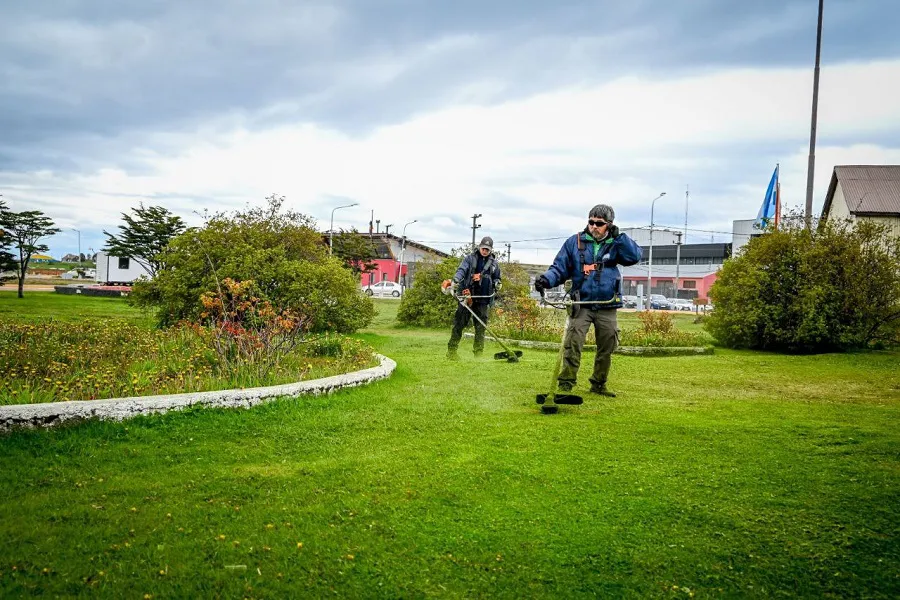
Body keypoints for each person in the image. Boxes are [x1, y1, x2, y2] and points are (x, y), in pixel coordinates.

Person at [534, 205, 642, 396]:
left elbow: (634, 257)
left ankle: (599, 384)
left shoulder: (616, 243)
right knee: (573, 342)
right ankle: (566, 383)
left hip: (607, 303)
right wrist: (546, 280)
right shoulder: (574, 242)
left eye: (599, 223)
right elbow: (559, 268)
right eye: (591, 222)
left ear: (609, 224)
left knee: (607, 345)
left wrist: (620, 237)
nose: (594, 226)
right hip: (581, 302)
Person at [442, 236, 502, 359]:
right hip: (467, 296)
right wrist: (456, 280)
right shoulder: (469, 259)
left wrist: (498, 283)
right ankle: (451, 352)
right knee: (459, 324)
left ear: (491, 250)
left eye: (487, 249)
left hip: (483, 299)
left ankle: (478, 355)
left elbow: (497, 278)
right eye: (483, 248)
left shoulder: (494, 264)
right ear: (479, 247)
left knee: (480, 328)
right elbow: (461, 270)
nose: (484, 251)